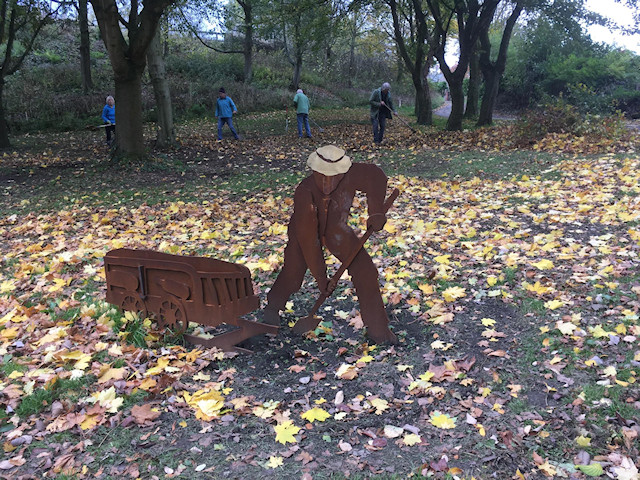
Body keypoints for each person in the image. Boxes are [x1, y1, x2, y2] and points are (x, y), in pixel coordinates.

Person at [263, 145, 397, 344]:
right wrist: (322, 280)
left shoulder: (352, 174)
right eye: (322, 176)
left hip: (336, 230)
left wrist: (376, 212)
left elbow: (376, 176)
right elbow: (310, 241)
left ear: (342, 173)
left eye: (333, 177)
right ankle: (272, 308)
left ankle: (378, 329)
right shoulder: (304, 192)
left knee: (365, 270)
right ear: (314, 171)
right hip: (304, 230)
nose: (327, 183)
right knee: (293, 272)